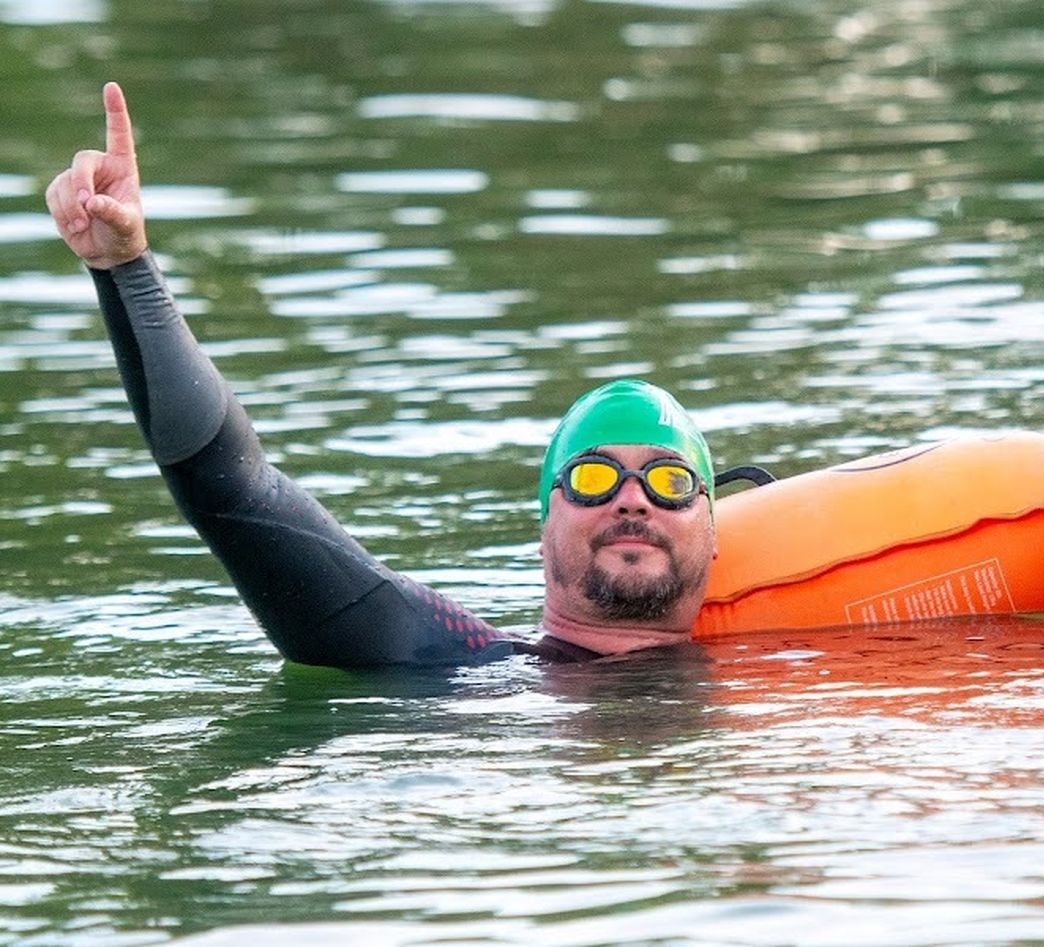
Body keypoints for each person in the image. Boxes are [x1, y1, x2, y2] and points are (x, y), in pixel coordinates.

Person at [47, 83, 717, 667]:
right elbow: (235, 494)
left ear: (715, 537)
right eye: (592, 477)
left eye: (670, 481)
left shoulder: (804, 661)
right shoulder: (449, 660)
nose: (633, 499)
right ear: (542, 531)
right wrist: (126, 269)